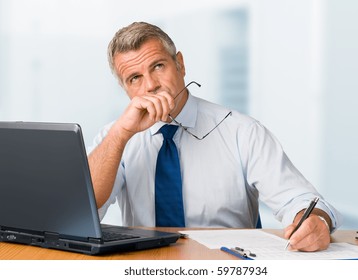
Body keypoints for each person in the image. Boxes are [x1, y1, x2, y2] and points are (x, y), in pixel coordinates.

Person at [88, 21, 342, 252]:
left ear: (180, 64)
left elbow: (299, 200)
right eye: (135, 78)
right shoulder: (115, 137)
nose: (151, 85)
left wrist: (314, 222)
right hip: (145, 266)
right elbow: (87, 211)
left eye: (158, 66)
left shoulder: (242, 131)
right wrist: (121, 134)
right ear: (126, 89)